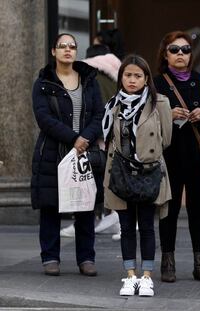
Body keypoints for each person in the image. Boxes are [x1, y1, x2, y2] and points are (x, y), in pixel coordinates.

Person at [153, 31, 200, 283]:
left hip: (198, 157)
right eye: (174, 50)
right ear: (165, 53)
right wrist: (168, 114)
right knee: (168, 211)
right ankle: (167, 264)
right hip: (168, 157)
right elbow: (145, 118)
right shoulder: (156, 83)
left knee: (198, 211)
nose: (180, 54)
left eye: (185, 50)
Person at [31, 33, 103, 276]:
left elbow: (98, 115)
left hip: (85, 151)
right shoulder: (43, 83)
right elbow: (44, 118)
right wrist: (74, 138)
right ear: (53, 51)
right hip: (53, 150)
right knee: (51, 206)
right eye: (62, 46)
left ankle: (86, 258)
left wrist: (86, 139)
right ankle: (50, 257)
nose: (68, 50)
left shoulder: (89, 80)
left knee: (85, 205)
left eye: (72, 46)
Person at [102, 55, 172, 296]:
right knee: (126, 227)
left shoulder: (159, 103)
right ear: (121, 77)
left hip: (148, 172)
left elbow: (167, 138)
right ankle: (130, 275)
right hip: (120, 173)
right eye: (127, 75)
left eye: (137, 76)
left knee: (147, 226)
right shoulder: (113, 104)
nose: (132, 80)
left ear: (146, 79)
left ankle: (147, 277)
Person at [60, 44, 121, 238]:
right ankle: (112, 218)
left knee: (88, 181)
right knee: (110, 180)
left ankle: (90, 221)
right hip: (117, 137)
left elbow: (93, 110)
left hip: (95, 138)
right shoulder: (118, 75)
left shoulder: (88, 75)